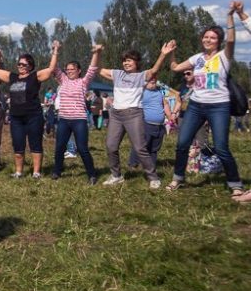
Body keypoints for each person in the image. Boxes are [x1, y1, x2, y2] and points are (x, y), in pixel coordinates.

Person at [167, 0, 248, 202]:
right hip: (195, 105)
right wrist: (172, 52)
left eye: (212, 37)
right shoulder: (197, 58)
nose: (208, 40)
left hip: (219, 106)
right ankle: (178, 178)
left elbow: (231, 39)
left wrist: (230, 16)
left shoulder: (224, 56)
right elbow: (175, 67)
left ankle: (235, 184)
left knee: (221, 147)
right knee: (182, 143)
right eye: (206, 37)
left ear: (218, 41)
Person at [97, 42, 174, 188]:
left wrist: (163, 54)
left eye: (129, 60)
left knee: (139, 148)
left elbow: (154, 70)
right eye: (124, 60)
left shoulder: (141, 76)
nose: (126, 63)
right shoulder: (117, 74)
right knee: (111, 146)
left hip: (134, 114)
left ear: (136, 63)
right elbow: (98, 70)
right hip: (116, 115)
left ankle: (153, 177)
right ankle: (116, 175)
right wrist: (98, 53)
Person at [0, 41, 59, 178]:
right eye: (19, 64)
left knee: (35, 144)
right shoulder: (13, 77)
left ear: (30, 66)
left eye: (24, 64)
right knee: (18, 146)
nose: (20, 66)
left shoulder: (35, 76)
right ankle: (18, 172)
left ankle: (36, 172)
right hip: (16, 118)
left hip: (33, 116)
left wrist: (55, 50)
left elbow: (51, 69)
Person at [50, 45, 102, 183]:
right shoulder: (63, 80)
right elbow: (54, 68)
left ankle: (91, 174)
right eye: (67, 69)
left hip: (79, 120)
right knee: (60, 147)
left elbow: (92, 69)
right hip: (64, 120)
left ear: (79, 71)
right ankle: (57, 171)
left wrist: (96, 53)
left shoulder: (84, 82)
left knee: (82, 148)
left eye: (72, 69)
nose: (69, 71)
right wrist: (55, 50)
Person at [127, 75, 175, 170]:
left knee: (154, 148)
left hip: (159, 126)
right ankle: (133, 164)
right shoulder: (141, 92)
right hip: (146, 124)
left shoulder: (159, 92)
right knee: (141, 146)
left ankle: (150, 166)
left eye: (154, 79)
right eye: (150, 79)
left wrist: (170, 116)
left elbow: (165, 104)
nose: (153, 80)